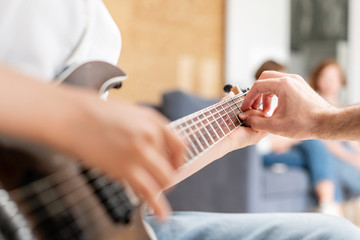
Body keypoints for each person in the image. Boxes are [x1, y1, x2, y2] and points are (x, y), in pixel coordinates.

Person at [1, 1, 360, 239]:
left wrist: (230, 133)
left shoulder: (97, 23)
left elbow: (110, 190)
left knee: (335, 234)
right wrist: (71, 115)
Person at [255, 60, 343, 216]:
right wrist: (294, 138)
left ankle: (328, 204)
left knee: (315, 152)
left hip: (285, 151)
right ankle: (329, 204)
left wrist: (289, 141)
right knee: (317, 149)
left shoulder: (274, 102)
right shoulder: (257, 103)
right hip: (264, 156)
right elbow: (262, 145)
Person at [309, 59, 360, 201]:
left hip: (345, 151)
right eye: (324, 77)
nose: (328, 82)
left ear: (340, 81)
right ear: (318, 80)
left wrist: (357, 155)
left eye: (332, 78)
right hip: (332, 154)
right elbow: (326, 143)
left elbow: (352, 139)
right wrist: (352, 159)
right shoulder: (317, 105)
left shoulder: (344, 106)